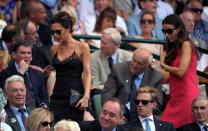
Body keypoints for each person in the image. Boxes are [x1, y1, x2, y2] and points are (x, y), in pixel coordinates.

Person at [160, 14, 200, 128]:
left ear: (178, 29)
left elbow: (181, 71)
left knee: (164, 126)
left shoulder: (186, 44)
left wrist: (163, 65)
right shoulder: (175, 46)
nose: (167, 35)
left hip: (187, 97)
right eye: (164, 31)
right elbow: (174, 74)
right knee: (163, 126)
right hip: (176, 97)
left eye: (169, 31)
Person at [50, 12, 91, 122]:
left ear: (68, 28)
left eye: (58, 31)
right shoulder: (54, 48)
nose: (55, 35)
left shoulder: (82, 47)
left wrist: (86, 96)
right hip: (57, 94)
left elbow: (87, 73)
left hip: (74, 95)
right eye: (53, 32)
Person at [101, 48, 164, 121]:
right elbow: (107, 96)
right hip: (119, 116)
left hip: (143, 118)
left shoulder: (156, 77)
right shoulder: (118, 70)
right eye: (134, 60)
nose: (134, 65)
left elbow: (157, 105)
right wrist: (115, 114)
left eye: (139, 63)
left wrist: (144, 115)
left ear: (147, 67)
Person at [0, 40, 49, 108]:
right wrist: (20, 72)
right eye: (23, 53)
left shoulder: (37, 74)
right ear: (14, 55)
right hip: (15, 113)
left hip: (36, 112)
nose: (27, 56)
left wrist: (43, 105)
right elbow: (6, 98)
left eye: (29, 53)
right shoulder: (5, 73)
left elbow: (44, 97)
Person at [91, 27, 132, 92]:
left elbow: (130, 82)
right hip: (103, 94)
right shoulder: (93, 58)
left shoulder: (129, 57)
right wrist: (118, 87)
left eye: (104, 43)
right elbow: (95, 85)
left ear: (116, 44)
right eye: (101, 41)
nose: (101, 45)